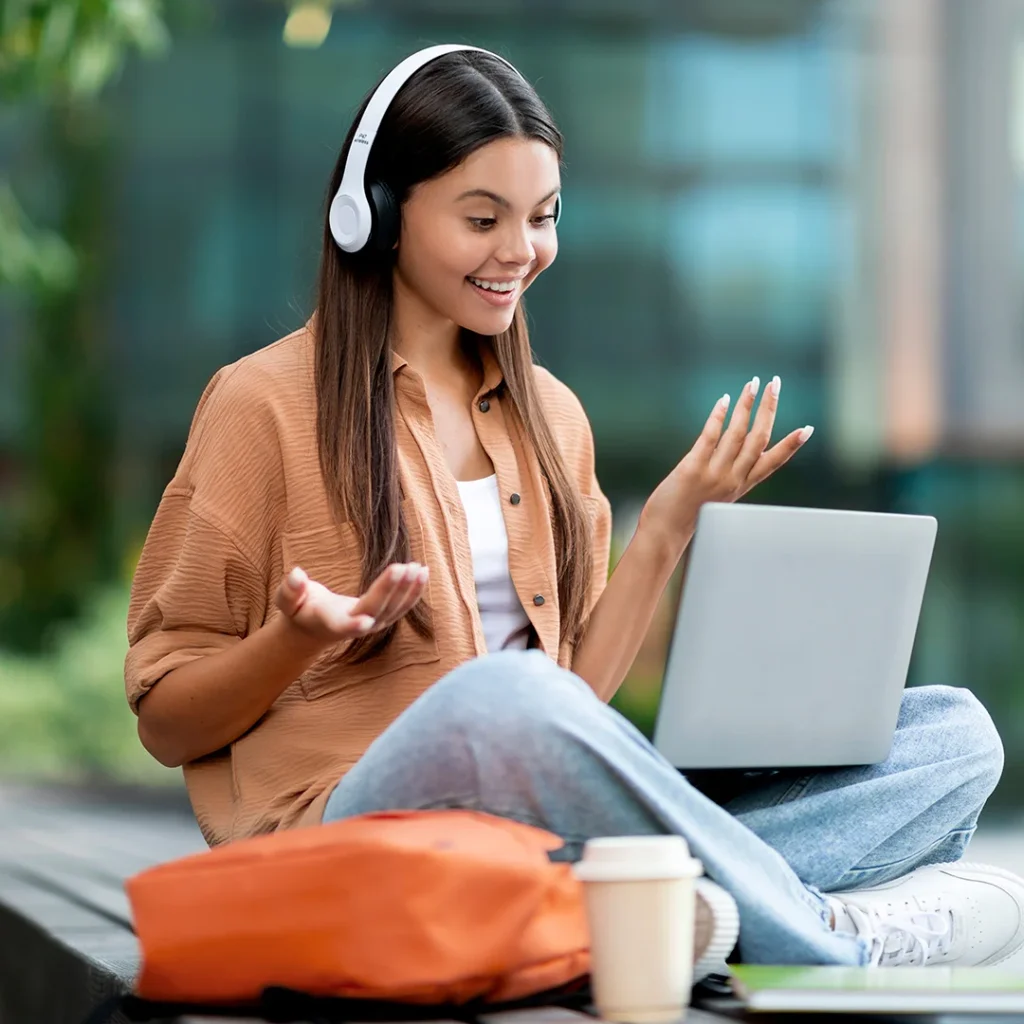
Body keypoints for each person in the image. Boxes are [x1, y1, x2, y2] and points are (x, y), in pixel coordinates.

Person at [126, 46, 1024, 974]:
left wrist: (672, 522)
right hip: (348, 841)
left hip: (532, 838)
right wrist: (294, 641)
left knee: (951, 736)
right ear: (378, 216)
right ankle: (828, 935)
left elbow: (572, 707)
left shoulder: (551, 417)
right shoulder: (261, 404)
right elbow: (165, 720)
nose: (520, 251)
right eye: (483, 218)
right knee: (504, 696)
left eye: (543, 218)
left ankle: (662, 910)